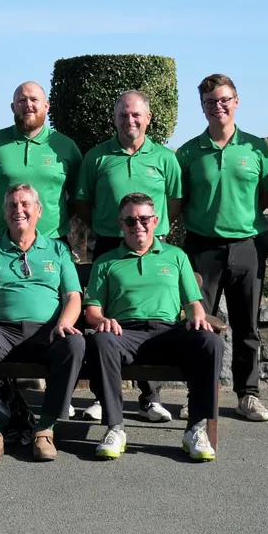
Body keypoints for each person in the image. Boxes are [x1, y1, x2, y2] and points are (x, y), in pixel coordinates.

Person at [83, 192, 223, 461]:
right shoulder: (106, 261)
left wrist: (197, 316)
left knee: (211, 341)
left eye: (144, 218)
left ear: (155, 221)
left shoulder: (176, 256)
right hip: (125, 332)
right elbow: (92, 311)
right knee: (100, 341)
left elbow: (193, 302)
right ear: (120, 224)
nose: (139, 225)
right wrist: (102, 321)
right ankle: (115, 428)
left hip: (169, 331)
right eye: (131, 220)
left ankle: (195, 428)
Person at [0, 183, 84, 464]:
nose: (18, 210)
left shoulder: (58, 250)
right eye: (12, 205)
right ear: (4, 213)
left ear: (38, 211)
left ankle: (45, 430)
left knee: (75, 342)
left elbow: (73, 296)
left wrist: (64, 323)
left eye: (25, 204)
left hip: (47, 330)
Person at [74, 90, 182, 423]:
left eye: (136, 115)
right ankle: (103, 398)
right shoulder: (96, 157)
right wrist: (113, 228)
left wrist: (148, 230)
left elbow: (175, 202)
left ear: (148, 118)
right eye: (123, 115)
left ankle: (150, 398)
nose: (130, 120)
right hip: (110, 244)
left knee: (150, 315)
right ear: (114, 118)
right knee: (104, 318)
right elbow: (82, 202)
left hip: (153, 244)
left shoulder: (165, 158)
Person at [175, 74, 268, 422]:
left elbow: (266, 197)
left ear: (236, 101)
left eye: (224, 100)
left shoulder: (257, 149)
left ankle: (248, 395)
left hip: (247, 245)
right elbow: (180, 201)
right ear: (201, 107)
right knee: (198, 326)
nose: (218, 107)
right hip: (202, 248)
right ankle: (197, 395)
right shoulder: (188, 152)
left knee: (248, 326)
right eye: (209, 102)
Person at [0, 82, 82, 243]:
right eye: (22, 101)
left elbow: (79, 197)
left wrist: (56, 217)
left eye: (34, 99)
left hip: (53, 239)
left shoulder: (65, 146)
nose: (28, 105)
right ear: (13, 107)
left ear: (46, 106)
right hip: (2, 242)